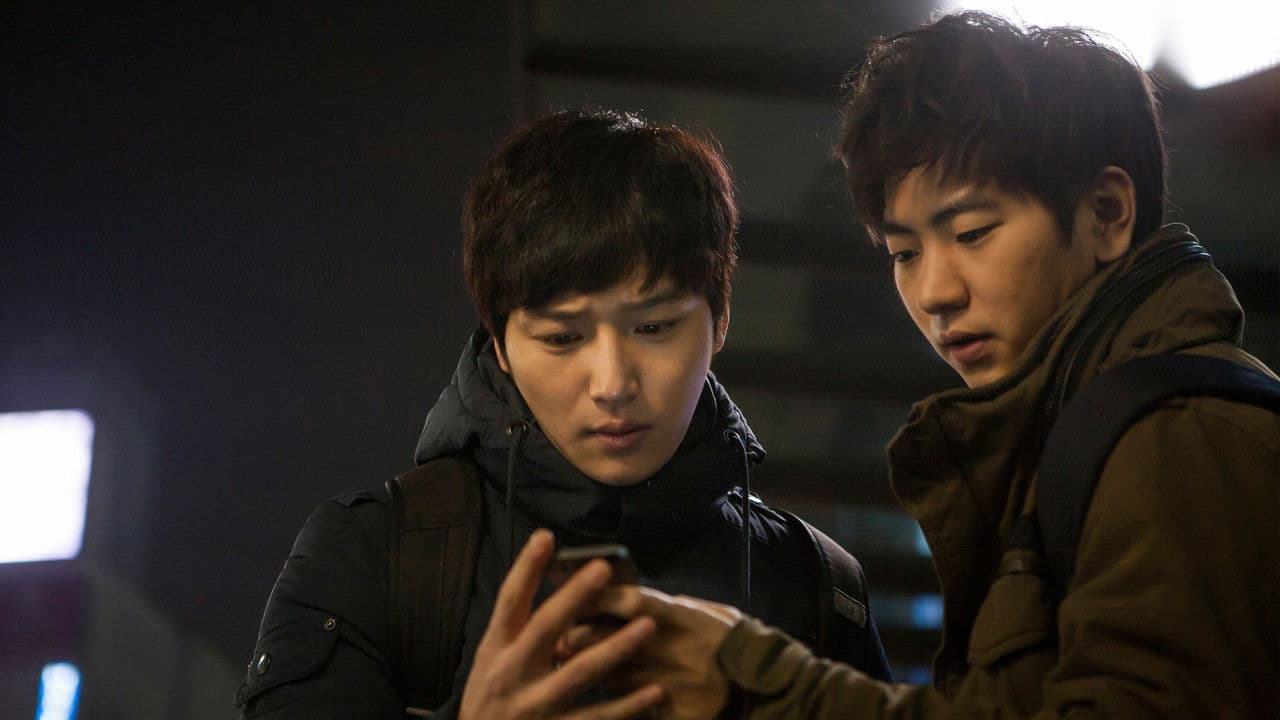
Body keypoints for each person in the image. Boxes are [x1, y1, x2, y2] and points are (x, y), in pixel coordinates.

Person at [553, 11, 1280, 719]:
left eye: (973, 232)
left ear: (1108, 212)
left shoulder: (1179, 436)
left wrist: (764, 686)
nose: (934, 292)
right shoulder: (1091, 432)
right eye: (904, 253)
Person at [235, 109, 891, 720]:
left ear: (720, 321)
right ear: (499, 344)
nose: (613, 384)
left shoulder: (815, 584)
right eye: (562, 337)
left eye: (654, 327)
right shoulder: (373, 559)